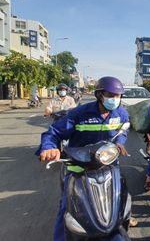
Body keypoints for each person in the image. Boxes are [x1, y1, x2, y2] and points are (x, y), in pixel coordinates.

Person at [36, 76, 133, 241]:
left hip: (108, 165)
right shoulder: (80, 113)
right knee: (67, 208)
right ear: (99, 95)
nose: (115, 99)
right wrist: (49, 147)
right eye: (111, 95)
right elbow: (54, 132)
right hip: (79, 168)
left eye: (118, 96)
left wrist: (120, 142)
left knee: (122, 199)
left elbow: (123, 130)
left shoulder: (121, 113)